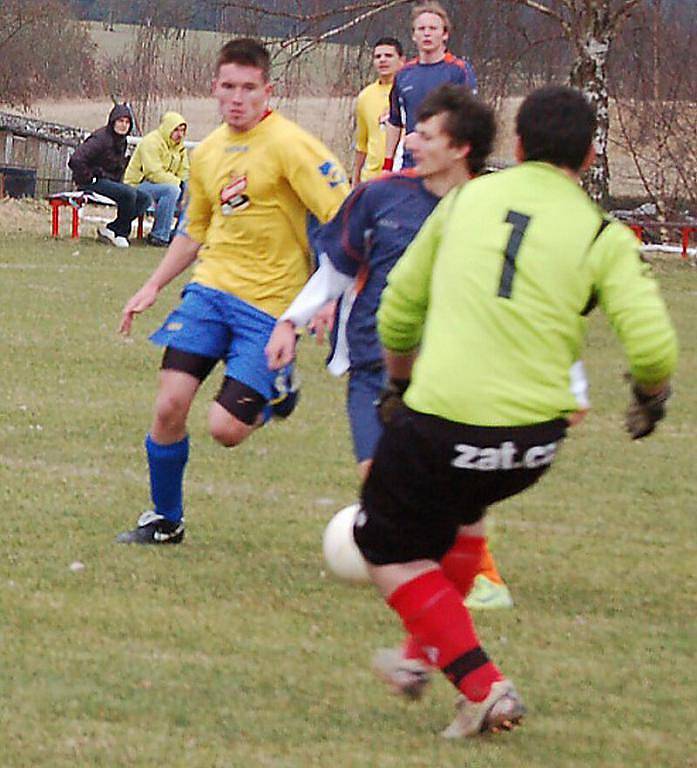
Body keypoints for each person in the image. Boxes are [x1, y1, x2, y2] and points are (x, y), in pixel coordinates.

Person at [353, 85, 677, 738]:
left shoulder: (468, 199)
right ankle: (419, 657)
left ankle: (481, 686)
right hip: (532, 444)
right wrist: (649, 398)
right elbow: (652, 344)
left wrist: (396, 385)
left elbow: (398, 308)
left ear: (518, 145)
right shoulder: (600, 232)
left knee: (380, 543)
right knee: (465, 517)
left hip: (443, 425)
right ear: (588, 157)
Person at [266, 85, 513, 610]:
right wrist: (291, 321)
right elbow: (336, 267)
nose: (412, 143)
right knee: (379, 478)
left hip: (450, 369)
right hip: (373, 363)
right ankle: (431, 570)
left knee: (448, 479)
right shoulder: (379, 196)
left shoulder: (493, 211)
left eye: (426, 136)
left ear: (460, 147)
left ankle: (477, 576)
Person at [116, 38, 350, 545]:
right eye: (228, 87)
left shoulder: (293, 146)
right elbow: (194, 229)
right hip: (210, 292)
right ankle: (165, 519)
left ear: (269, 90)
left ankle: (278, 386)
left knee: (226, 430)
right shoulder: (210, 153)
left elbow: (344, 218)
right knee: (168, 405)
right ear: (214, 89)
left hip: (270, 307)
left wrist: (329, 294)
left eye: (249, 88)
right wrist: (152, 285)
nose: (238, 98)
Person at [383, 1, 477, 172]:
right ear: (413, 35)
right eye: (421, 29)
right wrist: (387, 165)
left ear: (445, 34)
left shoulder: (459, 71)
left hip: (446, 165)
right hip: (411, 165)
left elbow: (469, 120)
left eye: (433, 29)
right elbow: (395, 121)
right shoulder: (403, 74)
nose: (427, 34)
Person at [68, 104, 151, 248]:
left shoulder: (122, 141)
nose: (123, 125)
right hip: (91, 182)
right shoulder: (100, 138)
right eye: (120, 121)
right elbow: (75, 159)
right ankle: (121, 234)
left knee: (144, 199)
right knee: (129, 194)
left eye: (127, 122)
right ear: (113, 121)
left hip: (108, 181)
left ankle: (112, 229)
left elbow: (114, 168)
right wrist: (89, 177)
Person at [124, 111, 190, 247]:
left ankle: (178, 235)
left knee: (193, 193)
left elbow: (184, 170)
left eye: (182, 130)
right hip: (138, 184)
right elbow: (153, 172)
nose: (180, 134)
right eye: (176, 130)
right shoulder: (151, 142)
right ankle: (159, 235)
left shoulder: (180, 147)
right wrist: (179, 183)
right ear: (167, 128)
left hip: (166, 184)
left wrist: (187, 185)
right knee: (171, 191)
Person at [352, 37, 405, 186]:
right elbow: (362, 142)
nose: (383, 60)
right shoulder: (365, 96)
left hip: (401, 174)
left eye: (388, 56)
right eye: (378, 56)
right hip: (372, 177)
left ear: (401, 60)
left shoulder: (408, 91)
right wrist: (355, 179)